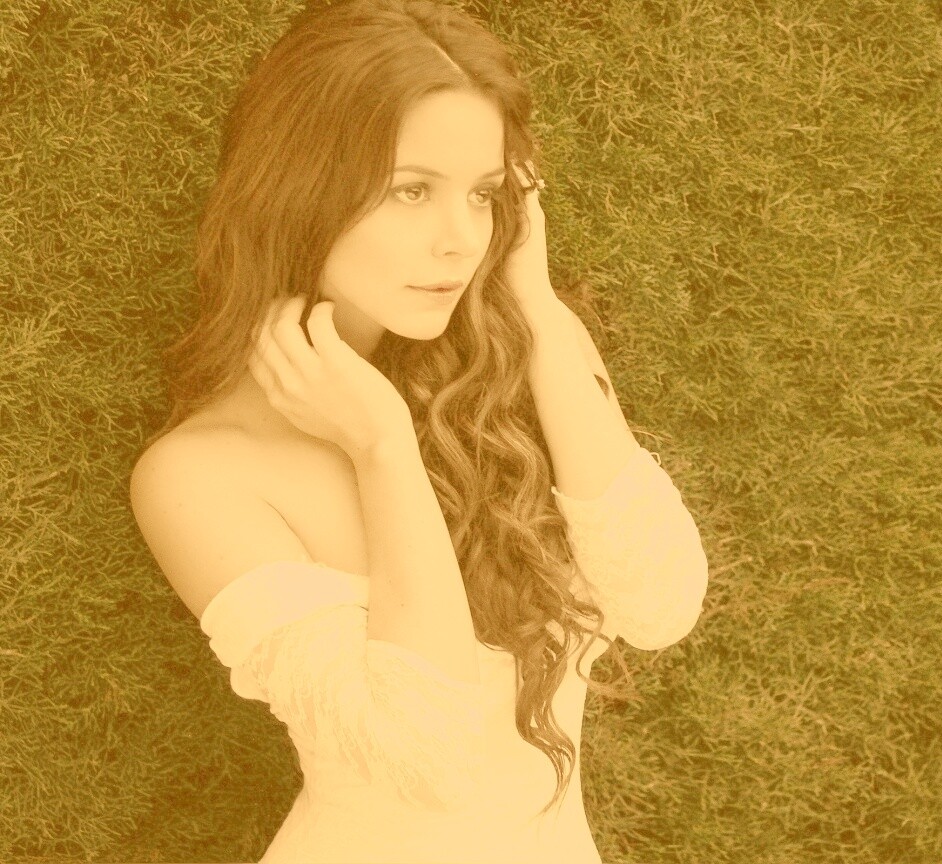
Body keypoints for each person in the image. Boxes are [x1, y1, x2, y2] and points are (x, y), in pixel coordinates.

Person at [129, 1, 709, 861]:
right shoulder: (200, 476)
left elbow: (659, 605)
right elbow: (428, 761)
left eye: (484, 196)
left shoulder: (525, 365)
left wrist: (534, 302)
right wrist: (383, 449)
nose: (461, 240)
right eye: (411, 190)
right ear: (301, 187)